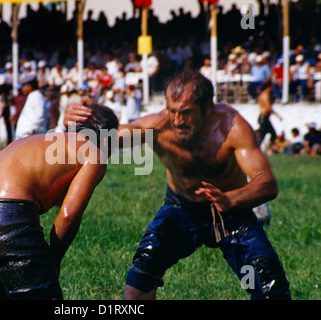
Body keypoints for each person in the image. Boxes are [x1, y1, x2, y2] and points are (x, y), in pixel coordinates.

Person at [64, 71, 291, 300]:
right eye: (172, 111)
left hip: (230, 212)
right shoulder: (159, 127)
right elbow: (107, 137)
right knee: (143, 273)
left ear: (208, 108)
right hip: (181, 209)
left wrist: (231, 199)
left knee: (269, 285)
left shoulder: (232, 128)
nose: (177, 120)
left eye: (185, 113)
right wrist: (79, 121)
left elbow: (267, 183)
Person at [0, 104, 119, 300]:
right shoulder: (93, 152)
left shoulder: (35, 141)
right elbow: (68, 216)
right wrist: (53, 261)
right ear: (107, 139)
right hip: (8, 217)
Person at [257, 81, 282, 148]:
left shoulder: (262, 94)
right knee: (266, 135)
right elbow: (268, 108)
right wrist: (278, 116)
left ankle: (268, 148)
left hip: (264, 118)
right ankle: (268, 148)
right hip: (264, 118)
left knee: (267, 134)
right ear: (269, 87)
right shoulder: (266, 95)